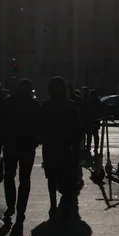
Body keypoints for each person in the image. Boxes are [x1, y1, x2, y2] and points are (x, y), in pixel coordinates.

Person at [0, 78, 41, 224]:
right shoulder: (34, 105)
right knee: (25, 179)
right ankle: (21, 209)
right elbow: (39, 125)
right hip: (27, 146)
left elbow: (0, 124)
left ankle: (10, 206)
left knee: (9, 176)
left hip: (11, 144)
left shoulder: (7, 102)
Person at [40, 76, 83, 219]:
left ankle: (52, 205)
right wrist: (76, 146)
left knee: (51, 177)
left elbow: (41, 126)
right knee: (66, 176)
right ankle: (66, 203)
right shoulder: (70, 105)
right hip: (66, 146)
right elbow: (78, 127)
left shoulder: (46, 105)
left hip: (51, 146)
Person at [81, 89, 103, 158]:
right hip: (96, 120)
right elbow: (100, 110)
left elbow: (86, 110)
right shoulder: (98, 101)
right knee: (95, 135)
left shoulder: (89, 101)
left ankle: (88, 147)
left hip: (90, 120)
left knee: (89, 135)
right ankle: (96, 148)